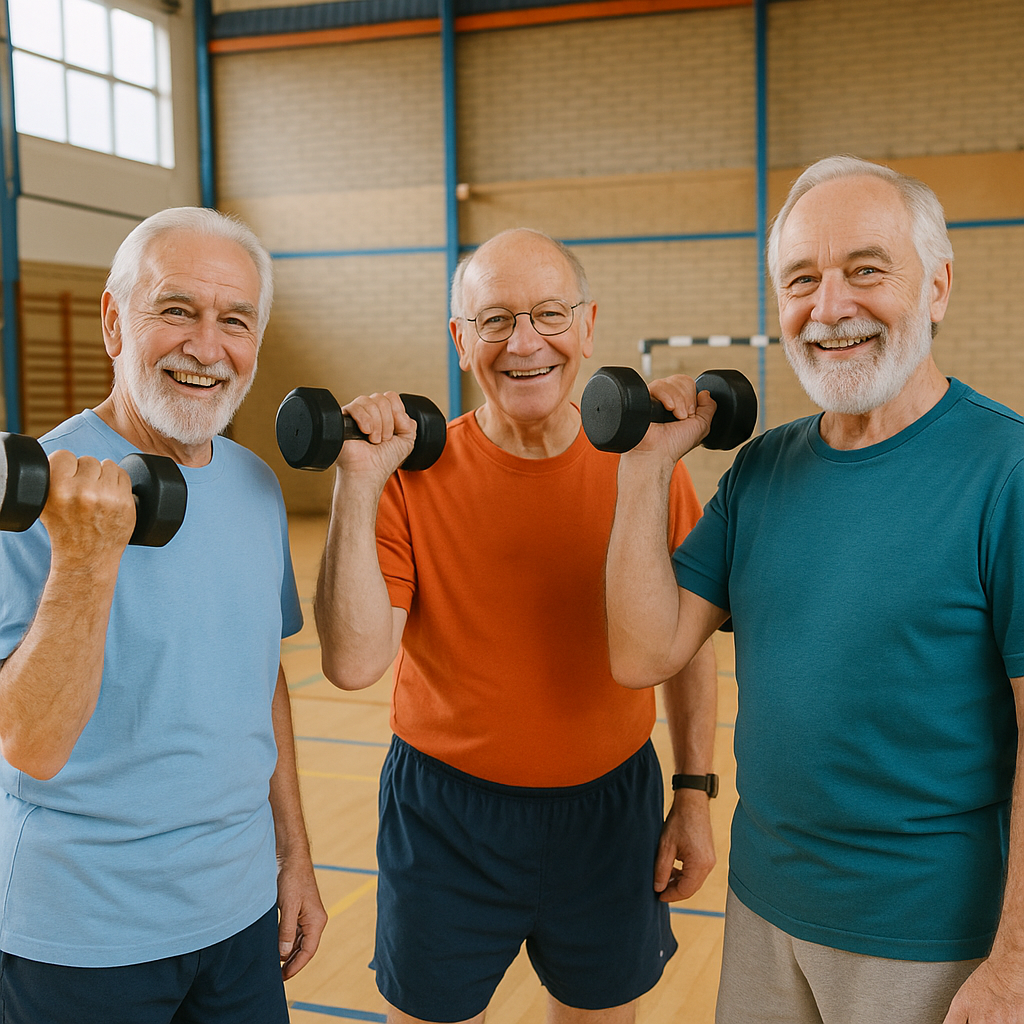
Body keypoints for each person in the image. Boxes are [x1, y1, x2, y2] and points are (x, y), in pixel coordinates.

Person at [603, 154, 1024, 1024]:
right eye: (802, 279)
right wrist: (644, 470)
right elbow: (643, 652)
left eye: (866, 270)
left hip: (930, 938)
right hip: (763, 910)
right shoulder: (762, 470)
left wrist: (1015, 967)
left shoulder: (1007, 472)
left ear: (937, 287)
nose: (829, 307)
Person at [313, 227, 718, 1024]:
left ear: (588, 326)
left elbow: (686, 647)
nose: (524, 342)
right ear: (461, 339)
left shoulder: (646, 467)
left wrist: (695, 793)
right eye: (495, 320)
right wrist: (356, 483)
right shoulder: (408, 477)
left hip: (611, 812)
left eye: (549, 314)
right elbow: (355, 663)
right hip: (446, 817)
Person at [0, 207, 327, 1024]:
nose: (207, 347)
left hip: (240, 916)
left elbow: (261, 678)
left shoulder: (255, 486)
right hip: (81, 933)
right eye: (176, 310)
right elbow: (30, 744)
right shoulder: (44, 498)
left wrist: (293, 854)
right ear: (114, 322)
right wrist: (83, 558)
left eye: (235, 320)